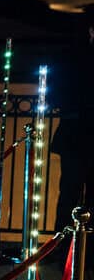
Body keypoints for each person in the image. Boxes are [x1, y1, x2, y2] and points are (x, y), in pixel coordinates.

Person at [50, 24, 94, 234]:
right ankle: (83, 250)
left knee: (68, 193)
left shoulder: (72, 59)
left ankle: (63, 245)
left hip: (74, 134)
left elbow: (57, 95)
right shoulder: (75, 59)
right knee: (72, 193)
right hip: (77, 135)